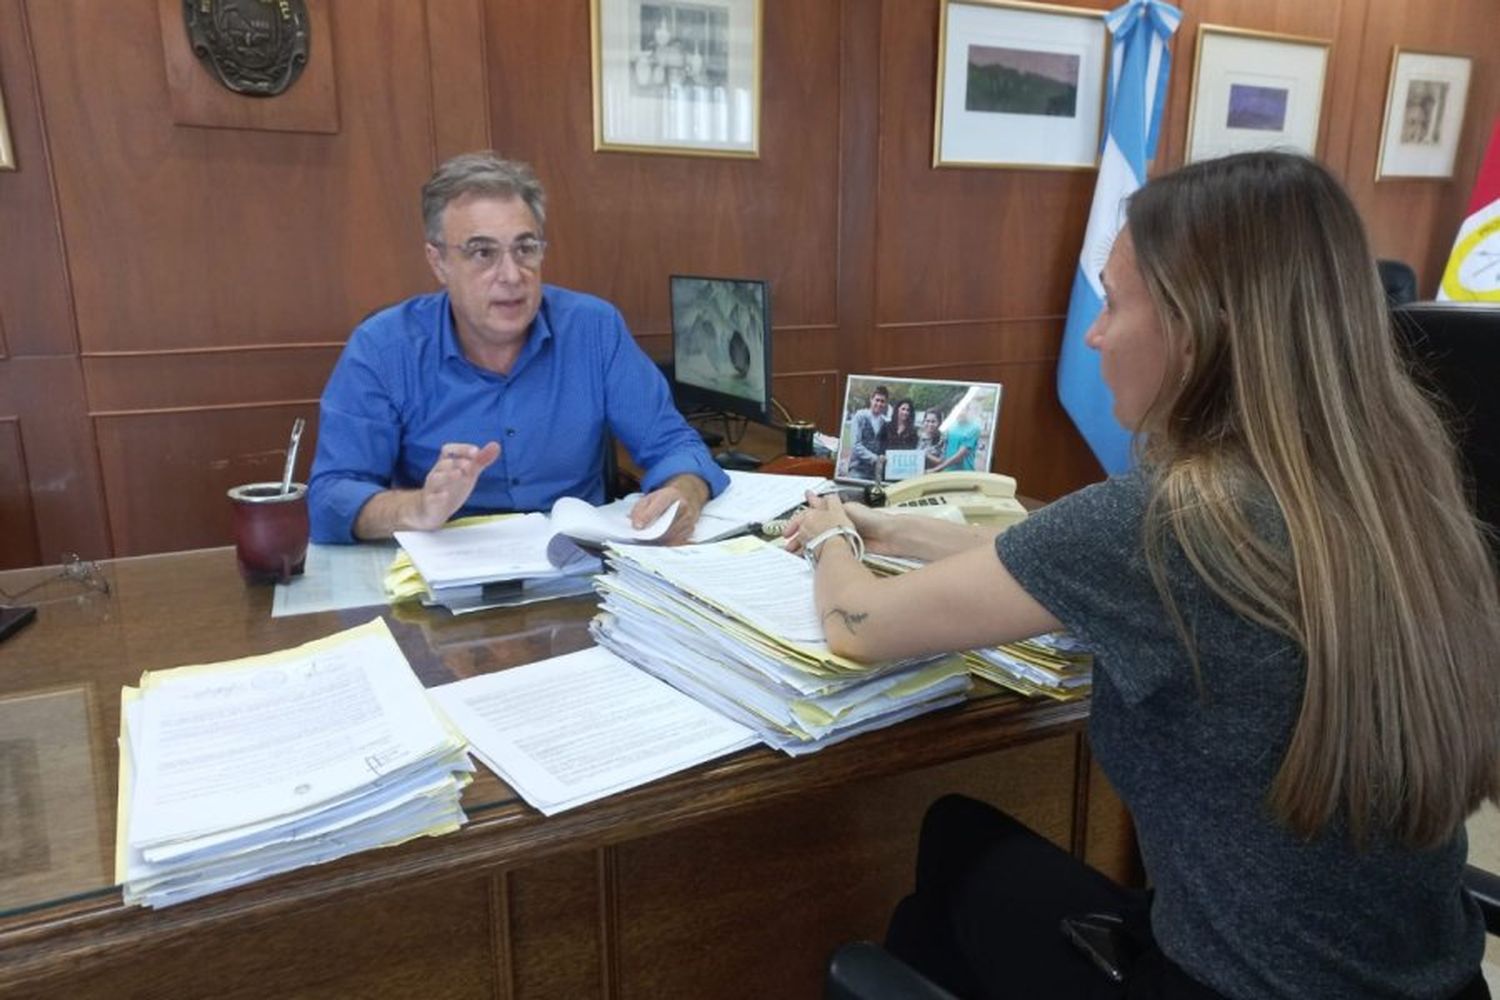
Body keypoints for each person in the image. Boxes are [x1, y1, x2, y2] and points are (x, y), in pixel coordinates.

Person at [785, 152, 1500, 999]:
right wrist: (892, 524)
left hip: (1228, 986)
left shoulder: (1166, 523)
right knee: (957, 848)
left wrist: (832, 533)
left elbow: (855, 627)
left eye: (1114, 303)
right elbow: (1044, 557)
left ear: (1192, 329)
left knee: (950, 862)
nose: (1093, 334)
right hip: (1436, 982)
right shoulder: (1401, 487)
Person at [309, 152, 727, 545]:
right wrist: (418, 507)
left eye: (525, 249)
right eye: (482, 253)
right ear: (438, 263)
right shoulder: (383, 348)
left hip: (577, 572)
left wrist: (685, 490)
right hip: (443, 582)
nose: (511, 275)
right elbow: (330, 497)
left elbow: (674, 444)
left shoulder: (593, 329)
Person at [843, 385, 889, 480]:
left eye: (882, 401)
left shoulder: (884, 421)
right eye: (877, 400)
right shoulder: (860, 416)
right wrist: (875, 458)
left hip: (875, 471)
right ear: (871, 400)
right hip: (858, 468)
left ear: (885, 404)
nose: (879, 404)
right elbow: (855, 445)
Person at [877, 398, 920, 479]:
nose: (905, 412)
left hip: (903, 472)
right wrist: (881, 456)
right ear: (897, 410)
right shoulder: (886, 426)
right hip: (886, 468)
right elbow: (880, 446)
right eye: (903, 409)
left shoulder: (913, 432)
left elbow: (913, 451)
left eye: (908, 410)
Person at [937, 399, 982, 472]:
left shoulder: (974, 428)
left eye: (962, 409)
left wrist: (936, 469)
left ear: (968, 409)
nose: (959, 412)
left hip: (964, 472)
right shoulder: (950, 426)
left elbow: (960, 456)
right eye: (955, 409)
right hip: (947, 471)